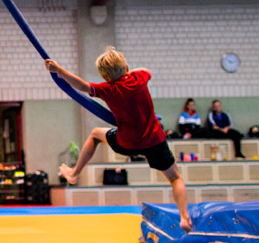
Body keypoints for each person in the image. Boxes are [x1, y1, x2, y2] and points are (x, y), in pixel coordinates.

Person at [46, 47, 193, 232]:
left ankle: (75, 172)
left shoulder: (108, 89)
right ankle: (185, 218)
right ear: (125, 67)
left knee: (95, 135)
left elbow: (82, 86)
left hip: (127, 143)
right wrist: (126, 69)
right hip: (154, 141)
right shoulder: (139, 77)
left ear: (106, 77)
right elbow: (147, 71)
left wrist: (59, 70)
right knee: (175, 178)